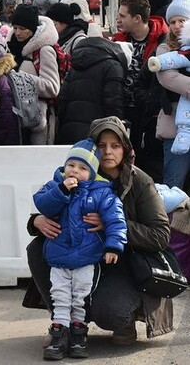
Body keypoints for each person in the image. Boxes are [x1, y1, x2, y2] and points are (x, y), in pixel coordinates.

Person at [25, 116, 173, 346]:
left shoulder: (140, 181)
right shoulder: (74, 174)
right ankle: (62, 324)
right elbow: (51, 201)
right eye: (101, 145)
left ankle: (125, 321)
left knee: (111, 311)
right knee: (37, 248)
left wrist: (112, 226)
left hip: (122, 262)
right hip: (80, 254)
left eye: (115, 146)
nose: (108, 152)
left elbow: (161, 235)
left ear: (125, 149)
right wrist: (37, 220)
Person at [33, 138, 127, 360]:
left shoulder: (102, 193)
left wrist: (113, 245)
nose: (75, 171)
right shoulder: (54, 185)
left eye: (83, 168)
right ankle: (58, 333)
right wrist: (61, 191)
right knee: (60, 295)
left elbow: (116, 220)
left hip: (87, 258)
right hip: (59, 257)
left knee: (81, 297)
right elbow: (43, 205)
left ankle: (78, 333)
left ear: (93, 173)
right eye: (71, 165)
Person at [113, 0, 168, 182]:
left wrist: (147, 102)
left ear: (137, 19)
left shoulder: (162, 42)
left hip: (149, 116)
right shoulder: (117, 41)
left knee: (149, 165)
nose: (118, 19)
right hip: (123, 112)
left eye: (122, 15)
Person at [149, 0, 190, 189]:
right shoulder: (164, 51)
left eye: (182, 21)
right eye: (172, 22)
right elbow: (168, 78)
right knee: (174, 184)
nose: (176, 26)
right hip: (173, 127)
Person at [57, 39, 130, 144]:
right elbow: (113, 105)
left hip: (68, 130)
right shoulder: (113, 67)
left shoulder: (74, 67)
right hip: (98, 133)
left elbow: (62, 100)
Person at [7, 5, 60, 144]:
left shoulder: (44, 50)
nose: (17, 32)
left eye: (23, 29)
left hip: (38, 122)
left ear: (33, 29)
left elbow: (52, 87)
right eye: (15, 27)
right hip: (14, 118)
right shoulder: (10, 46)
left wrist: (18, 79)